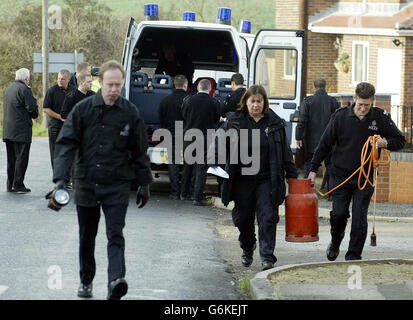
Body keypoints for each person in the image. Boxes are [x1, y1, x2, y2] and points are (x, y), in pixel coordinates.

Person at [52, 60, 153, 300]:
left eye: (118, 85)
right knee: (87, 236)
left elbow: (140, 151)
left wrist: (144, 183)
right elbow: (66, 145)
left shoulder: (130, 113)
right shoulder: (83, 110)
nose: (114, 89)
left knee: (115, 234)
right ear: (100, 83)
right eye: (110, 84)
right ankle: (86, 281)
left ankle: (115, 281)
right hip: (86, 182)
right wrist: (59, 181)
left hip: (117, 184)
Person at [308, 82, 406, 261]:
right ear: (354, 100)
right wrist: (313, 170)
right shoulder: (339, 117)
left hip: (365, 177)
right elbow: (324, 145)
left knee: (359, 218)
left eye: (367, 106)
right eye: (360, 105)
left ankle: (353, 255)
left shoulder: (381, 118)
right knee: (339, 214)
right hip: (340, 175)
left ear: (373, 102)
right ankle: (335, 242)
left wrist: (386, 143)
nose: (363, 109)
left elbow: (400, 140)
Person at [216, 85, 298, 271]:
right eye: (252, 101)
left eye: (259, 101)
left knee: (268, 217)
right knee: (243, 219)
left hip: (267, 179)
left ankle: (267, 256)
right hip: (242, 179)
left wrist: (292, 177)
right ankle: (247, 245)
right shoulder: (235, 121)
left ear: (264, 103)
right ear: (245, 102)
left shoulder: (274, 124)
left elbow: (285, 152)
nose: (256, 105)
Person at [181, 79, 220, 205]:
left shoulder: (188, 100)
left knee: (187, 166)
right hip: (205, 137)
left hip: (189, 136)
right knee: (201, 167)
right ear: (210, 89)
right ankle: (197, 198)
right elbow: (216, 119)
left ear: (198, 87)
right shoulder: (214, 102)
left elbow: (184, 116)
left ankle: (183, 193)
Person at [2, 68, 39, 193]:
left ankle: (10, 184)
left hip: (8, 130)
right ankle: (18, 184)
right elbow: (32, 109)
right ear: (26, 78)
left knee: (11, 159)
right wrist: (34, 113)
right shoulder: (24, 89)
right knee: (21, 158)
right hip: (21, 130)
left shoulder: (8, 89)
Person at [295, 78, 339, 179]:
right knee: (330, 167)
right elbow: (338, 122)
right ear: (325, 86)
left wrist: (298, 137)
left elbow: (302, 121)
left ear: (314, 87)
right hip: (329, 140)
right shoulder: (333, 101)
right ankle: (331, 192)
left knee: (309, 165)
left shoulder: (307, 101)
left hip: (311, 141)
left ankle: (307, 191)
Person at [158, 74, 188, 200]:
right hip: (188, 134)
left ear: (174, 85)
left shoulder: (165, 101)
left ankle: (175, 192)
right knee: (189, 163)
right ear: (186, 85)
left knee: (173, 163)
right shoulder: (189, 100)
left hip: (170, 134)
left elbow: (161, 119)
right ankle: (186, 192)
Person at [43, 69, 75, 170]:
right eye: (58, 79)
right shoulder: (52, 91)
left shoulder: (74, 91)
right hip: (55, 127)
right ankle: (57, 178)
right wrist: (59, 117)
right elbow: (45, 109)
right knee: (55, 153)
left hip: (70, 127)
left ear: (68, 79)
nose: (60, 81)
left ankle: (68, 177)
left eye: (62, 79)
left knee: (69, 151)